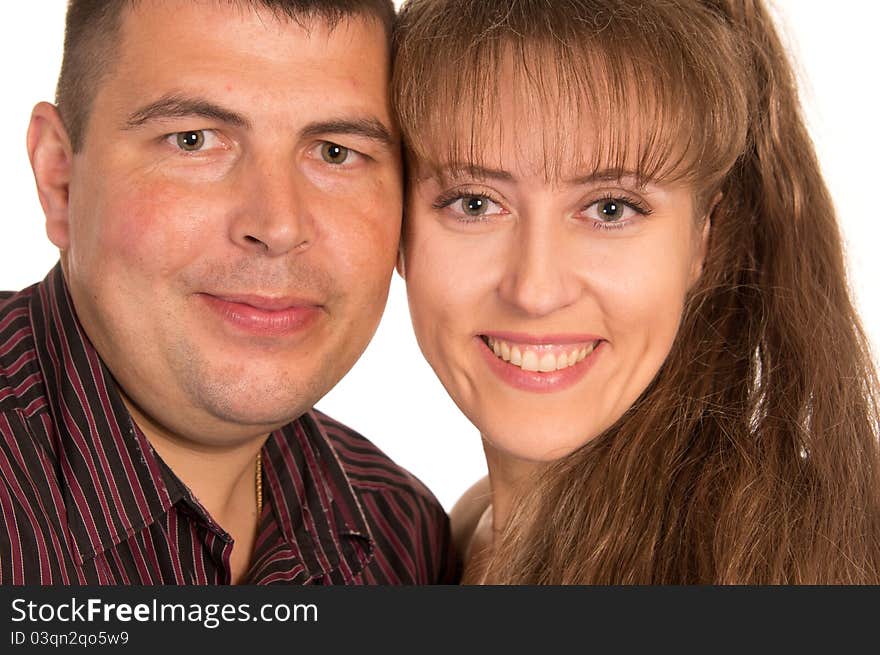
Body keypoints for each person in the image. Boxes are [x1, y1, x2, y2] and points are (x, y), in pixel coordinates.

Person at [393, 0, 880, 583]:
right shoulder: (452, 534)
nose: (536, 290)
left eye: (610, 208)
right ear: (395, 228)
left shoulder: (808, 558)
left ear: (704, 238)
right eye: (474, 203)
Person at [0, 0, 456, 585]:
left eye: (336, 152)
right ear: (60, 177)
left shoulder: (403, 537)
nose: (278, 225)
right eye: (192, 140)